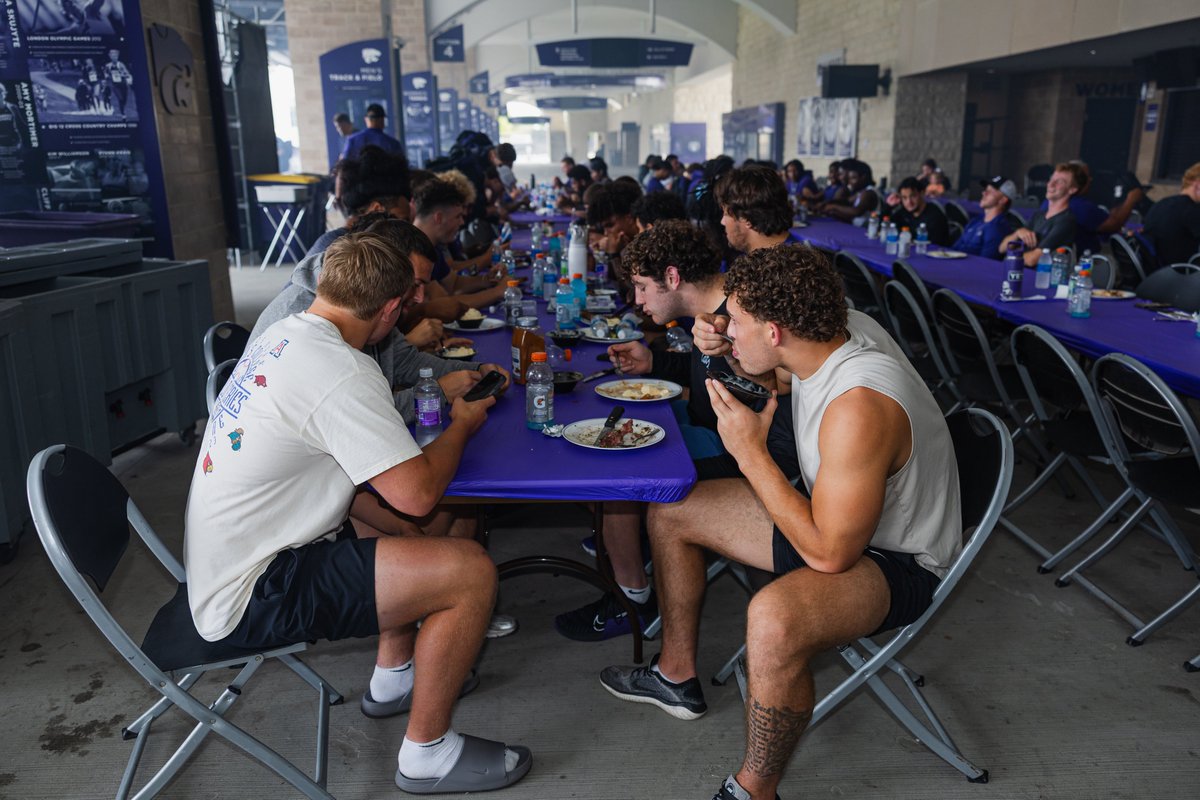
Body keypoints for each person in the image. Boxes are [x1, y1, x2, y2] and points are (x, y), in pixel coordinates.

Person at [599, 245, 960, 800]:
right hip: (837, 519)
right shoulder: (829, 334)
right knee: (672, 508)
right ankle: (675, 676)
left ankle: (754, 790)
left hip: (895, 557)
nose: (721, 327)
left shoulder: (859, 406)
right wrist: (732, 358)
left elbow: (831, 555)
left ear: (774, 331)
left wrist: (750, 455)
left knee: (773, 618)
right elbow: (788, 384)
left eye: (735, 319)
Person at [186, 231, 531, 794]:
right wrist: (464, 424)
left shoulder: (283, 335)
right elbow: (417, 494)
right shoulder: (342, 370)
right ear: (391, 309)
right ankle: (428, 755)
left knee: (425, 525)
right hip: (253, 589)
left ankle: (394, 679)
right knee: (468, 569)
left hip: (233, 553)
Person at [1049, 161, 1146, 254]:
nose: (1090, 179)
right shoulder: (1081, 207)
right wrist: (1131, 200)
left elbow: (1110, 218)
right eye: (1084, 177)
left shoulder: (1050, 202)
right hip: (1085, 260)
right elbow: (1114, 225)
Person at [1000, 162, 1079, 267]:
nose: (1050, 184)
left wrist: (1010, 257)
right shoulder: (1039, 215)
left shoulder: (1066, 220)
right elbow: (1002, 248)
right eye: (1051, 179)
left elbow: (1033, 259)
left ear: (1072, 190)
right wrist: (1018, 233)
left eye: (1059, 182)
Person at [717, 165, 805, 252]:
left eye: (726, 214)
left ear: (746, 219)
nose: (722, 222)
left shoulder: (788, 264)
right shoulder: (798, 256)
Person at [1142, 162, 1200, 269]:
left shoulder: (1161, 204)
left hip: (1157, 272)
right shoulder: (1191, 210)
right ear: (1197, 185)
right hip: (1182, 275)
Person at [952, 176, 1016, 259]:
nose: (984, 193)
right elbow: (954, 249)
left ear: (1003, 200)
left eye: (990, 191)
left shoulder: (997, 228)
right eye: (985, 190)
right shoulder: (976, 220)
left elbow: (984, 264)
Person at [888, 177, 951, 246]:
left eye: (913, 196)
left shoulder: (935, 216)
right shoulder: (904, 212)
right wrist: (888, 206)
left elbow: (936, 246)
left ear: (922, 193)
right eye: (904, 198)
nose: (909, 202)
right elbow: (884, 228)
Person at [818, 159, 877, 223]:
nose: (850, 182)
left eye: (853, 178)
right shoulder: (861, 192)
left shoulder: (868, 193)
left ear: (863, 177)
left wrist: (833, 207)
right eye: (849, 179)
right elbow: (847, 201)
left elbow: (856, 211)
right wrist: (828, 203)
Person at [100, 49, 132, 119]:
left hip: (123, 85)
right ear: (110, 57)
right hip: (115, 85)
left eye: (115, 56)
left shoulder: (121, 65)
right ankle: (123, 114)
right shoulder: (108, 66)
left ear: (117, 57)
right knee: (120, 98)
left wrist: (122, 74)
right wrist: (107, 76)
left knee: (124, 100)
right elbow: (105, 73)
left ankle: (121, 109)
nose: (114, 57)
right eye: (112, 56)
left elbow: (127, 74)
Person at [0, 84, 24, 152]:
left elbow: (21, 126)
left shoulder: (12, 108)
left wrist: (20, 143)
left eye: (0, 92)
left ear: (4, 94)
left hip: (14, 144)